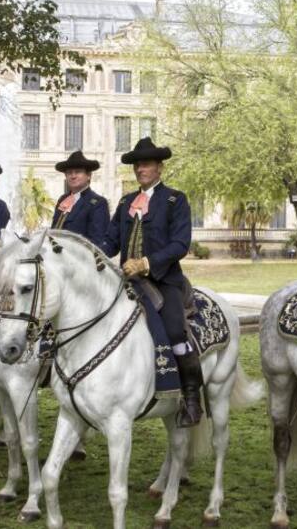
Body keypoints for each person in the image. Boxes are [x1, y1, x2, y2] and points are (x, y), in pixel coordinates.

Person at [99, 137, 200, 426]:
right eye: (137, 165)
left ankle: (191, 399)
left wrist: (146, 263)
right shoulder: (126, 201)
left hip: (162, 280)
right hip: (124, 281)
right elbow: (110, 239)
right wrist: (95, 255)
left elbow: (180, 243)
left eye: (146, 164)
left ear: (159, 167)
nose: (140, 169)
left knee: (174, 331)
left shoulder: (175, 200)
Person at [51, 150, 110, 251]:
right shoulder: (62, 199)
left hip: (79, 262)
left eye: (78, 172)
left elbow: (96, 242)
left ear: (88, 175)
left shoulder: (98, 203)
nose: (73, 176)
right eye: (69, 173)